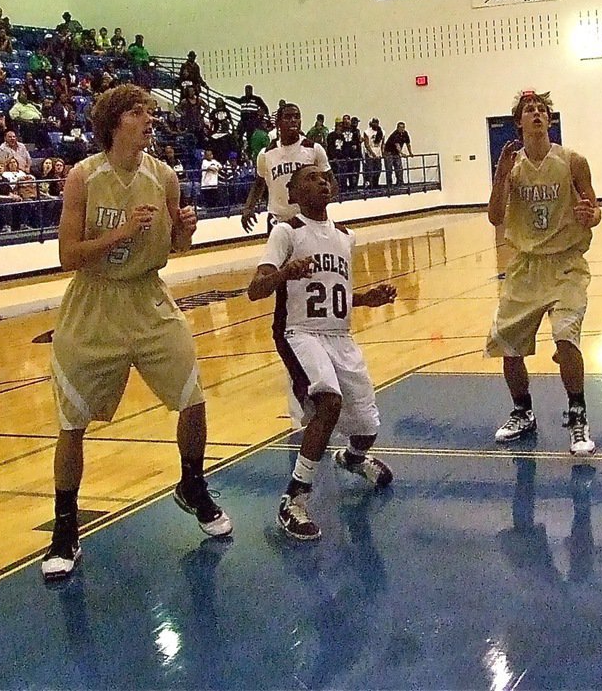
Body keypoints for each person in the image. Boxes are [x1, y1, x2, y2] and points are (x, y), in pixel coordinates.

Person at [41, 84, 232, 582]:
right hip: (95, 303)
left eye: (150, 110)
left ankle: (192, 484)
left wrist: (185, 229)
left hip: (149, 298)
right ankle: (65, 528)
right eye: (137, 111)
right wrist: (120, 233)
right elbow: (68, 256)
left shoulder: (164, 176)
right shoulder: (83, 177)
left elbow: (178, 247)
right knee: (72, 422)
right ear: (113, 122)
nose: (149, 118)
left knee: (193, 396)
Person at [245, 165, 397, 540]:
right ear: (293, 194)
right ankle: (294, 499)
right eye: (311, 179)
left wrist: (365, 298)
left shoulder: (346, 236)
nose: (322, 182)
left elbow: (335, 296)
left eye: (325, 178)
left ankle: (352, 458)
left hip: (339, 336)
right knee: (328, 402)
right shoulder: (286, 233)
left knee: (366, 427)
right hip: (299, 334)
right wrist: (285, 273)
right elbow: (255, 289)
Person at [488, 91, 601, 456]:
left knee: (566, 337)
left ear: (549, 121)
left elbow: (595, 207)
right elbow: (495, 216)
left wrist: (590, 215)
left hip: (566, 262)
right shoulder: (512, 167)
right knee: (509, 346)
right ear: (518, 122)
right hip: (525, 266)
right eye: (528, 110)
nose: (536, 113)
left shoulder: (572, 160)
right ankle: (523, 412)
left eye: (541, 110)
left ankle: (578, 415)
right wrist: (501, 176)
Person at [241, 103, 335, 234]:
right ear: (278, 123)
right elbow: (259, 184)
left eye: (297, 117)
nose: (293, 120)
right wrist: (248, 208)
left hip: (308, 220)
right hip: (278, 220)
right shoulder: (266, 154)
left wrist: (319, 202)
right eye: (288, 117)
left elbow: (331, 182)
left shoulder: (313, 149)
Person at [383, 121, 412, 189]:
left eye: (403, 127)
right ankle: (389, 185)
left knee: (399, 168)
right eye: (400, 127)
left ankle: (400, 183)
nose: (402, 129)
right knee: (389, 169)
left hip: (396, 153)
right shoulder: (395, 134)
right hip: (389, 152)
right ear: (397, 128)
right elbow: (397, 145)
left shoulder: (405, 134)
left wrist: (410, 153)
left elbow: (408, 144)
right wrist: (402, 153)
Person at [362, 118, 384, 189]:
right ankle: (369, 186)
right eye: (374, 123)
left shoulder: (382, 132)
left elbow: (383, 143)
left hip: (378, 154)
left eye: (376, 123)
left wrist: (382, 153)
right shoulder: (367, 132)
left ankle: (375, 185)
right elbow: (366, 144)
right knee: (369, 171)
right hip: (370, 154)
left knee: (378, 170)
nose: (375, 124)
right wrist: (372, 153)